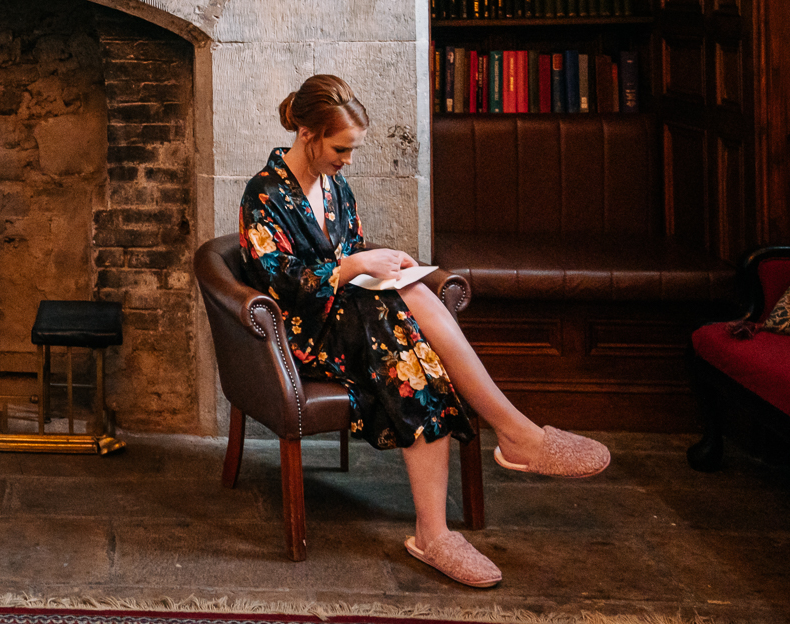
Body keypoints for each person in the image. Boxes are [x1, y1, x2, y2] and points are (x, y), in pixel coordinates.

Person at [239, 73, 611, 588]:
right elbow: (279, 279)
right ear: (308, 134)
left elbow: (352, 258)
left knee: (414, 356)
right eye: (341, 149)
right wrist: (354, 268)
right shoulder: (263, 194)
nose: (348, 161)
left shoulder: (336, 187)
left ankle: (437, 529)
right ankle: (513, 438)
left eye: (352, 150)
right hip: (302, 335)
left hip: (354, 322)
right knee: (407, 320)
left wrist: (382, 268)